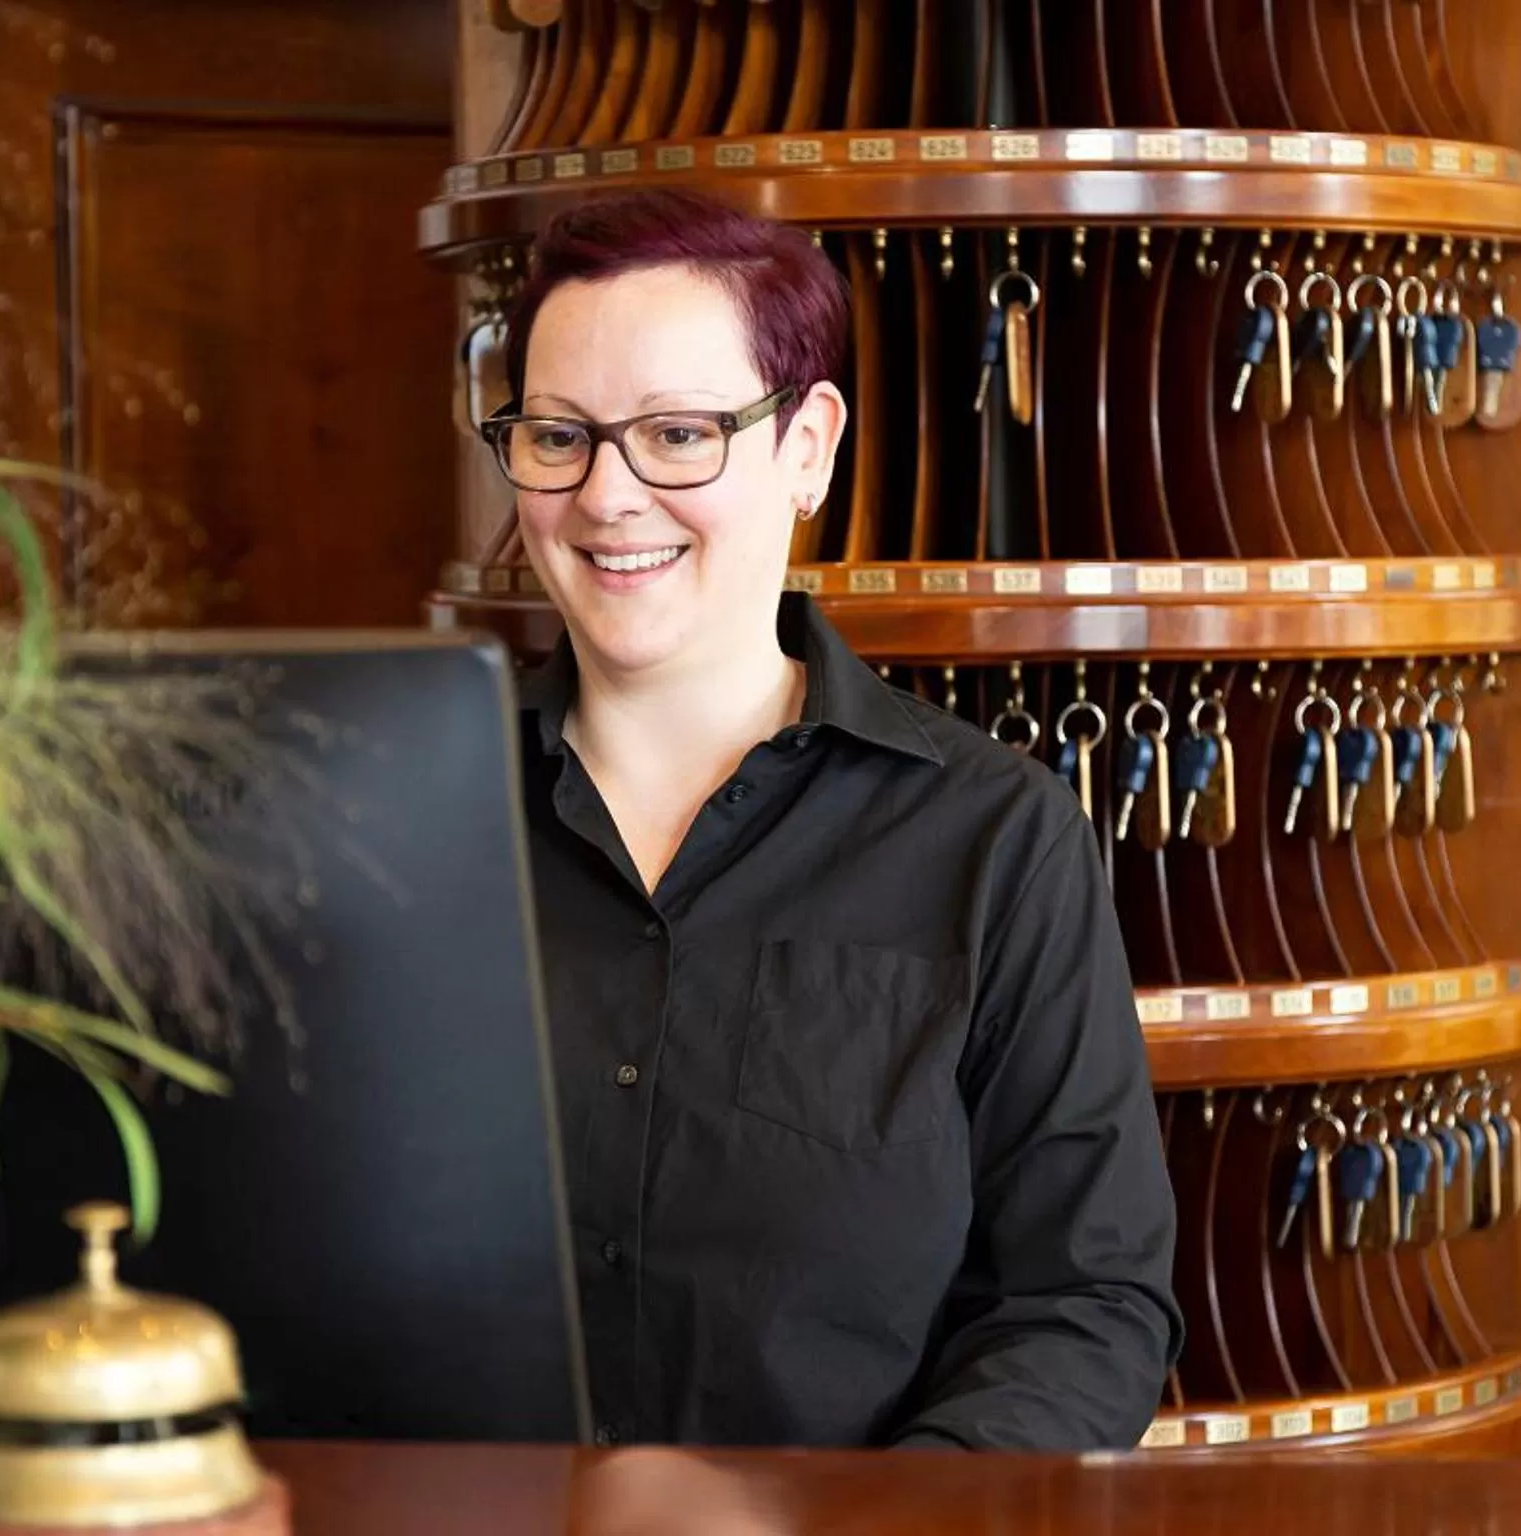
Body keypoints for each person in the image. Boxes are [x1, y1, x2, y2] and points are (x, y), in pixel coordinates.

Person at [478, 188, 1181, 1453]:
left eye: (680, 434)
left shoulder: (995, 839)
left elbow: (1082, 1304)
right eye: (558, 435)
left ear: (808, 447)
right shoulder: (406, 827)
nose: (607, 496)